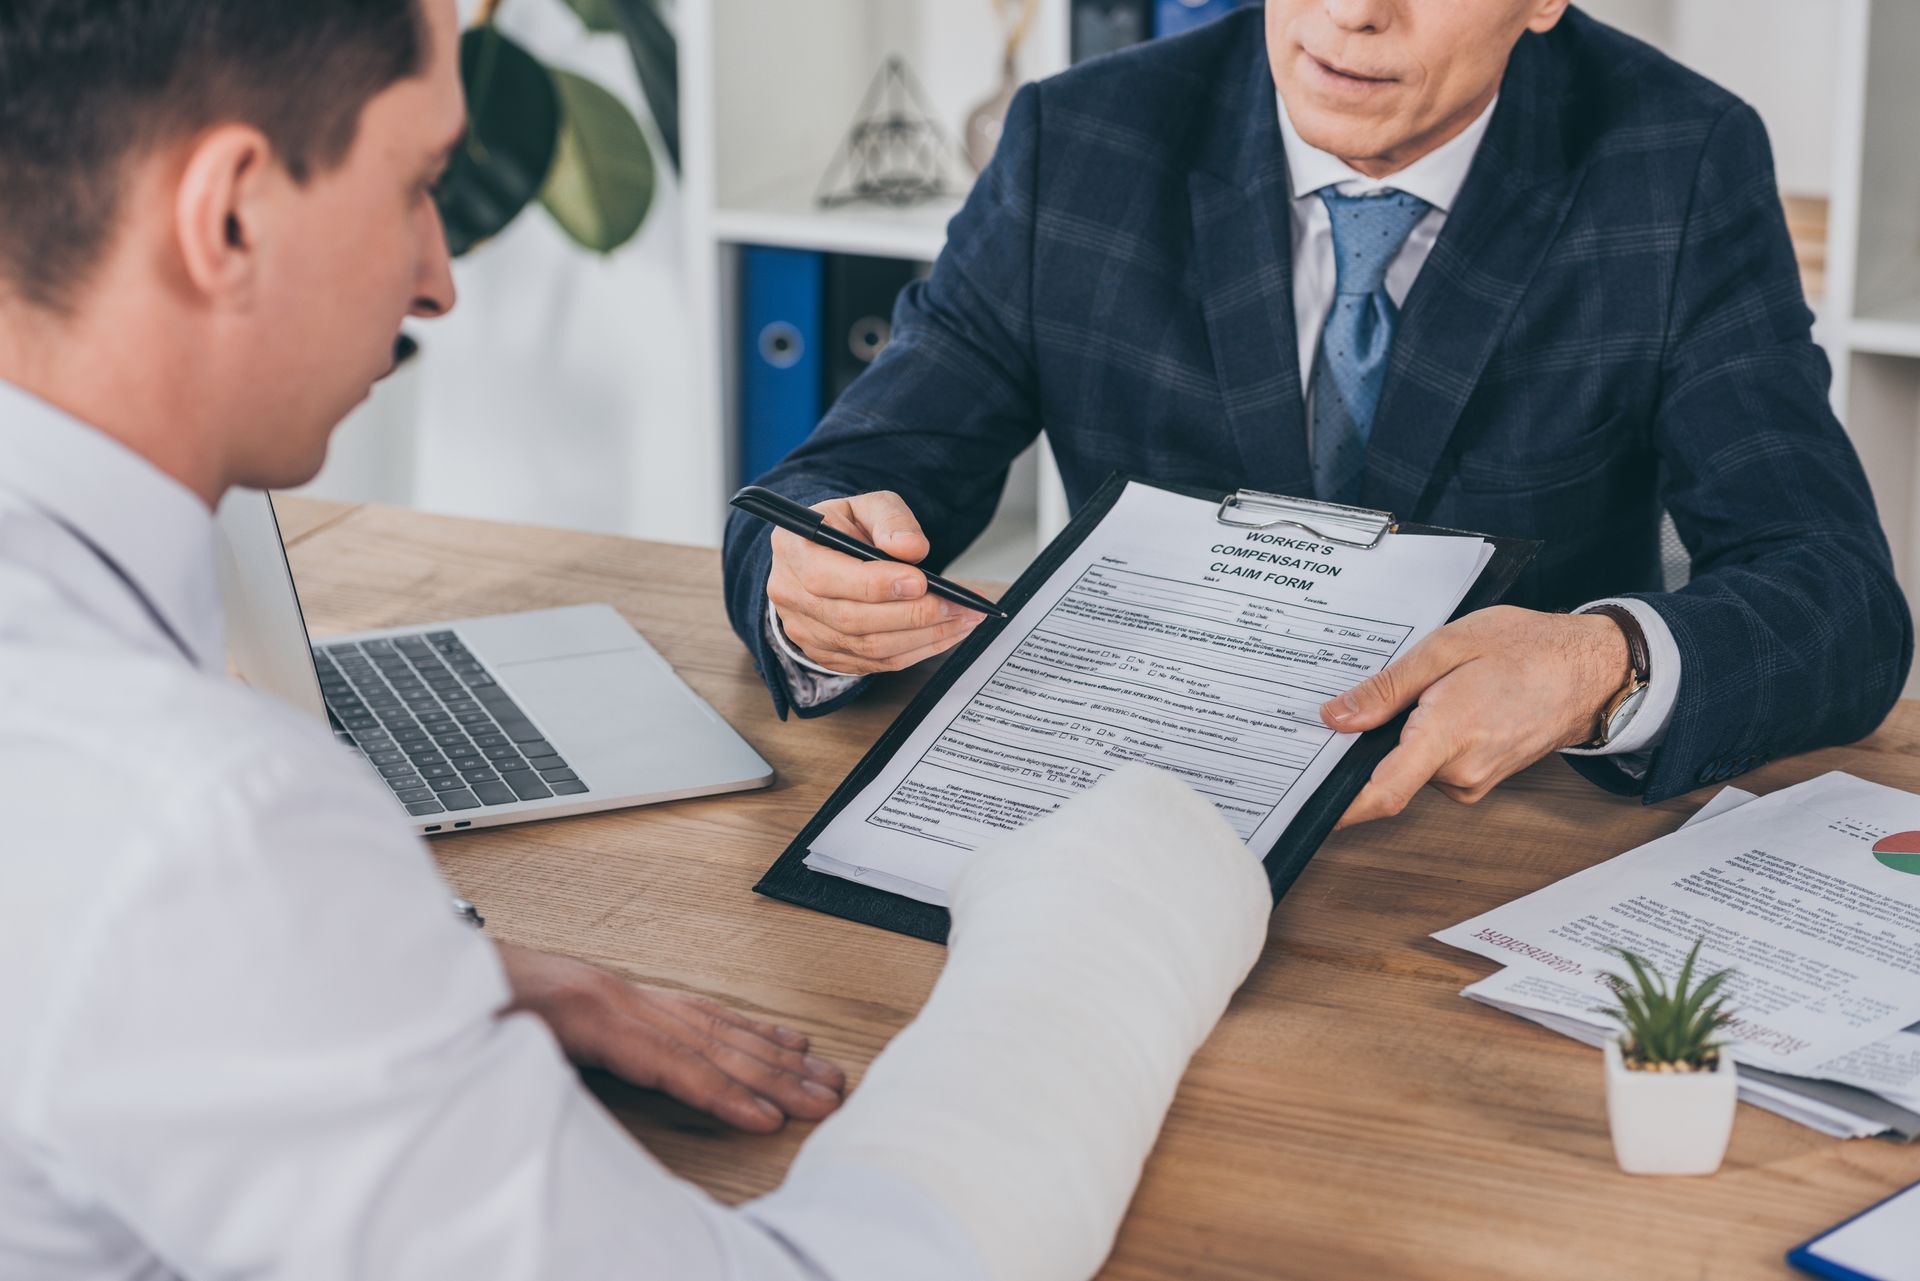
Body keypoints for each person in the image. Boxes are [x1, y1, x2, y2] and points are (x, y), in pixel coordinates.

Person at [0, 2, 1271, 1276]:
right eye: (419, 184)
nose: (440, 278)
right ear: (227, 218)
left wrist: (410, 984)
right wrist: (1119, 906)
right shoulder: (200, 829)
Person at [724, 0, 1913, 823]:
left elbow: (1841, 600)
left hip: (1484, 836)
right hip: (1126, 805)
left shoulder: (1677, 158)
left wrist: (1600, 661)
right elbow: (835, 479)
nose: (1353, 12)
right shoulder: (1078, 140)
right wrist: (816, 583)